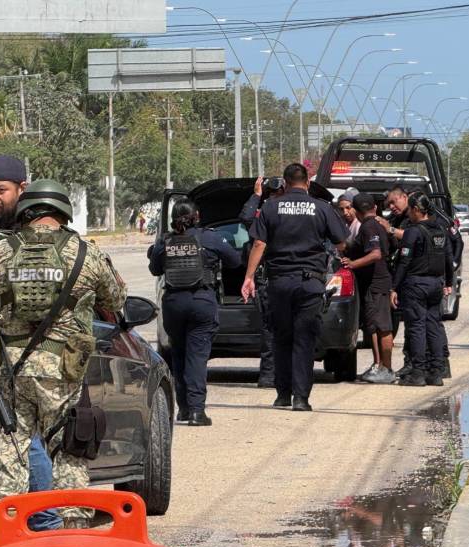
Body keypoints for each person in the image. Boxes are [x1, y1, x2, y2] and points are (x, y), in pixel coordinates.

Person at [0, 178, 127, 547]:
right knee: (68, 447)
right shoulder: (87, 254)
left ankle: (7, 537)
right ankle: (72, 535)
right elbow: (117, 297)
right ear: (63, 212)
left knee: (10, 447)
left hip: (9, 371)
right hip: (63, 370)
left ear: (26, 210)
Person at [0, 156, 62, 535]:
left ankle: (44, 522)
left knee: (19, 436)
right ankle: (35, 524)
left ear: (21, 190)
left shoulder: (33, 234)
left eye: (0, 190)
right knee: (14, 436)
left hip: (21, 353)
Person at [242, 163, 347, 411]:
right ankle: (301, 398)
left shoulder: (270, 207)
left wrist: (248, 277)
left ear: (286, 184)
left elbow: (259, 244)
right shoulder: (321, 207)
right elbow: (342, 242)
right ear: (308, 183)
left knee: (282, 338)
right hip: (310, 283)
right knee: (304, 340)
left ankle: (282, 394)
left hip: (279, 282)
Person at [148, 201, 241, 426]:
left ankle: (184, 410)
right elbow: (235, 260)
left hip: (173, 303)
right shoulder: (209, 238)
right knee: (197, 357)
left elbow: (154, 269)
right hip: (201, 301)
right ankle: (198, 411)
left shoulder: (165, 241)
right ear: (197, 216)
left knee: (178, 355)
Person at [378, 185, 460, 379]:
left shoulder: (414, 232)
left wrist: (394, 287)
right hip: (436, 284)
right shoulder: (439, 229)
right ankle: (438, 370)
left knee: (416, 327)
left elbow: (404, 262)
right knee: (434, 325)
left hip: (416, 284)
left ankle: (418, 372)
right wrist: (448, 282)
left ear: (415, 209)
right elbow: (448, 258)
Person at [341, 193, 395, 384]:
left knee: (382, 327)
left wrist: (354, 264)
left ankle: (385, 369)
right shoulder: (379, 224)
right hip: (376, 283)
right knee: (373, 326)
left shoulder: (369, 226)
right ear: (375, 207)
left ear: (356, 210)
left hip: (376, 283)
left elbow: (375, 254)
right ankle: (378, 365)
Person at [239, 176, 285, 388]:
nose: (273, 199)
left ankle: (274, 375)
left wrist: (257, 195)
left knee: (274, 329)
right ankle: (273, 376)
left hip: (275, 278)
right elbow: (247, 219)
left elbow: (247, 218)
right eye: (271, 195)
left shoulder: (270, 217)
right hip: (276, 278)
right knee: (273, 328)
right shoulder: (272, 217)